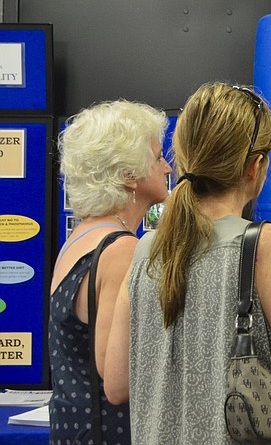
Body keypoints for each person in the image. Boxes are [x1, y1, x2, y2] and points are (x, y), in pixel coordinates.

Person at [103, 82, 271, 444]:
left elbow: (116, 384)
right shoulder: (264, 245)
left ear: (184, 156)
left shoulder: (145, 251)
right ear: (256, 167)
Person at [49, 99, 171, 445]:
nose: (166, 168)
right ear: (128, 175)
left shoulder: (81, 238)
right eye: (158, 156)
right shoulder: (120, 251)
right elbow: (118, 383)